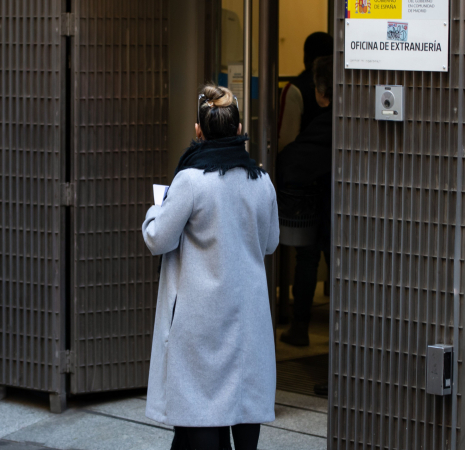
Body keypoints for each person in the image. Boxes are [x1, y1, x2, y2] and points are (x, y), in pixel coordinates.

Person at [142, 84, 279, 450]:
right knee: (246, 402)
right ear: (239, 130)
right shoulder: (262, 181)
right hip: (248, 314)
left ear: (198, 130)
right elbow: (270, 243)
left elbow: (157, 239)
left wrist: (155, 210)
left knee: (200, 407)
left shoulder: (190, 181)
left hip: (200, 318)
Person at [278, 55, 333, 347]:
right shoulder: (354, 121)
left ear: (321, 92)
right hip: (345, 211)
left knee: (308, 259)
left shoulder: (323, 124)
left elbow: (292, 156)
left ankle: (299, 327)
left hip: (317, 203)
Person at [278, 32, 334, 151]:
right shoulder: (343, 86)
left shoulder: (295, 89)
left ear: (305, 58)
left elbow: (285, 141)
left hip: (303, 158)